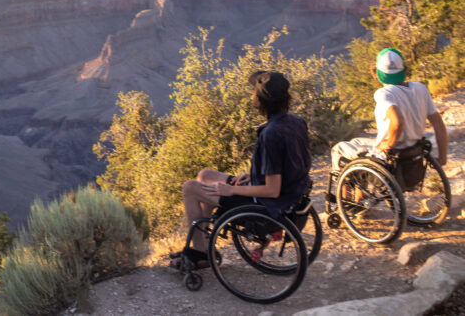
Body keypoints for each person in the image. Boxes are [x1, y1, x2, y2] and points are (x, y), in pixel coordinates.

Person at [171, 71, 311, 269]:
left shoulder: (271, 134)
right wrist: (255, 175)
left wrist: (232, 190)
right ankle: (202, 248)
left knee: (190, 188)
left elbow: (272, 189)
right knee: (205, 175)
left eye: (254, 91)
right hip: (290, 196)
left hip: (268, 205)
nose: (252, 94)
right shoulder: (296, 121)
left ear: (261, 100)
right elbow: (291, 162)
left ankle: (200, 252)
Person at [330, 47, 448, 174]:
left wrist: (389, 144)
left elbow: (398, 122)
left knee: (338, 149)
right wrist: (442, 157)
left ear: (377, 75)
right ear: (403, 70)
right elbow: (438, 124)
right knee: (356, 142)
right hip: (413, 153)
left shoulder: (384, 93)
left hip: (390, 157)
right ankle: (359, 192)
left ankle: (343, 192)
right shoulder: (421, 89)